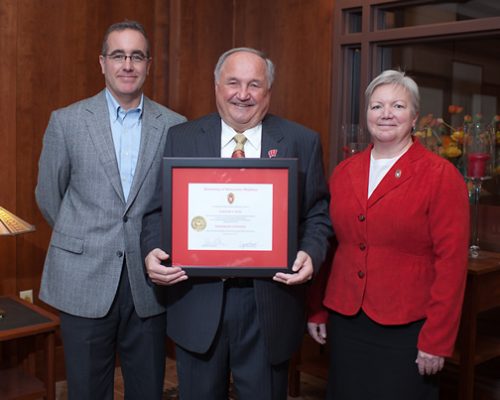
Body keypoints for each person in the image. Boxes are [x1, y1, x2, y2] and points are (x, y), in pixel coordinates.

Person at [141, 47, 333, 400]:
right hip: (197, 300)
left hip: (270, 305)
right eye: (233, 82)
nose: (242, 94)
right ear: (217, 86)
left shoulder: (301, 141)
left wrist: (310, 252)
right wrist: (152, 251)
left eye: (254, 84)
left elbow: (318, 213)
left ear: (268, 91)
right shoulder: (182, 138)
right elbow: (157, 211)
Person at [35, 20, 186, 400]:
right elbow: (48, 195)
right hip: (82, 278)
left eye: (137, 56)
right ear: (102, 63)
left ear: (149, 64)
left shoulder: (174, 126)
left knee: (147, 389)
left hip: (148, 282)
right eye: (118, 55)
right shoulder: (67, 122)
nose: (127, 65)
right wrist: (84, 236)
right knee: (86, 390)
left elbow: (175, 202)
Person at [307, 69, 470, 399]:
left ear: (414, 117)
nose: (385, 114)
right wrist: (317, 307)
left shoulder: (440, 175)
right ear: (366, 113)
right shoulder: (344, 171)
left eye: (397, 106)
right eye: (376, 106)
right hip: (347, 319)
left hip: (408, 327)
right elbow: (328, 243)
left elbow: (451, 265)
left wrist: (437, 340)